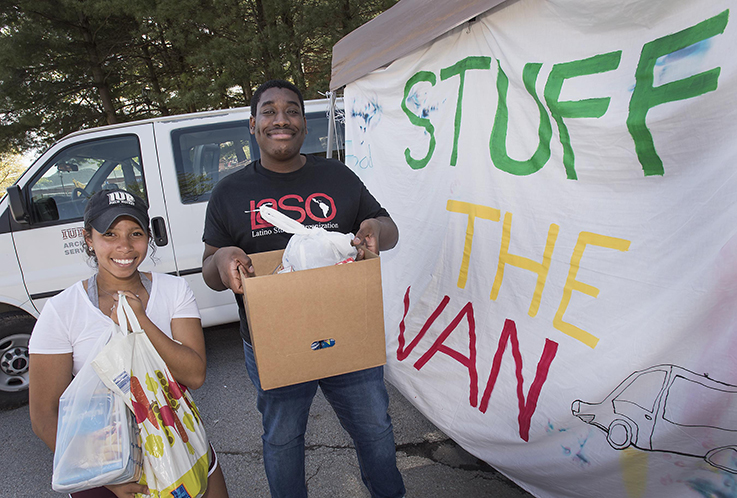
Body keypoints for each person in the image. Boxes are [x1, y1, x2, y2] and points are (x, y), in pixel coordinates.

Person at [202, 79, 405, 498]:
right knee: (282, 439)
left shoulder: (337, 175)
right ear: (253, 125)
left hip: (348, 330)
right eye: (270, 111)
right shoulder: (229, 192)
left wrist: (372, 230)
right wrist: (223, 261)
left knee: (376, 431)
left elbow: (389, 229)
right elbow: (209, 267)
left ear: (304, 124)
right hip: (273, 340)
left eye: (291, 110)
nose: (281, 119)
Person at [29, 189, 229, 498]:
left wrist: (141, 321)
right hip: (104, 463)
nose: (124, 246)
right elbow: (44, 414)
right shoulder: (61, 311)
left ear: (148, 238)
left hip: (177, 439)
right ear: (88, 238)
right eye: (109, 234)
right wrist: (105, 476)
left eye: (135, 233)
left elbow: (194, 374)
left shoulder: (174, 291)